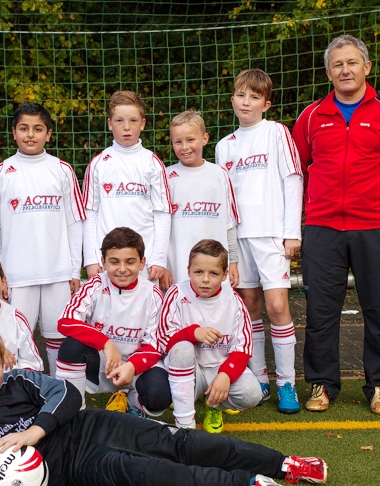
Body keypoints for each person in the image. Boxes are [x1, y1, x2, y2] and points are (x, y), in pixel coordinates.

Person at [0, 328, 328, 486]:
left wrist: (34, 432)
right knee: (151, 476)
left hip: (90, 426)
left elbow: (68, 394)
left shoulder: (19, 380)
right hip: (77, 467)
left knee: (181, 443)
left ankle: (284, 464)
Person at [292, 35, 380, 415]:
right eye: (337, 64)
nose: (345, 70)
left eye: (352, 62)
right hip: (322, 228)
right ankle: (322, 383)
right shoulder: (311, 116)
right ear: (328, 72)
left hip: (376, 227)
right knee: (320, 312)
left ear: (366, 67)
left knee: (379, 310)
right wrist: (313, 206)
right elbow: (298, 170)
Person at [215, 69, 304, 414]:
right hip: (238, 238)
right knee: (249, 306)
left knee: (277, 306)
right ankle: (259, 378)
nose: (246, 102)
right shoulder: (224, 146)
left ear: (266, 104)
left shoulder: (276, 132)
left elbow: (293, 179)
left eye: (254, 97)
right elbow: (224, 200)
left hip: (271, 234)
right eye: (241, 95)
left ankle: (287, 383)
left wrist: (292, 232)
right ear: (232, 100)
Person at [0, 103, 85, 376]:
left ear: (48, 134)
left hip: (57, 273)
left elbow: (74, 222)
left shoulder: (62, 170)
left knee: (59, 338)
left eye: (38, 129)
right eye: (24, 128)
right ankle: (17, 392)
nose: (30, 134)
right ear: (13, 132)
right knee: (15, 339)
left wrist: (73, 269)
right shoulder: (1, 173)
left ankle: (61, 390)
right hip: (17, 275)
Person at [55, 227, 170, 417]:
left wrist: (132, 366)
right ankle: (75, 413)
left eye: (130, 262)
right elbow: (66, 321)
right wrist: (105, 342)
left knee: (160, 395)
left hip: (137, 367)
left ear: (142, 263)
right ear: (103, 262)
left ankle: (133, 401)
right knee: (71, 346)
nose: (122, 269)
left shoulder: (152, 294)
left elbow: (155, 345)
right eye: (114, 262)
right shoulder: (96, 284)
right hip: (102, 363)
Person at [158, 240, 262, 433]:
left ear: (224, 275)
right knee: (183, 349)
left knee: (252, 394)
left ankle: (214, 405)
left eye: (213, 273)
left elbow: (243, 348)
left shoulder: (233, 300)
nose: (205, 279)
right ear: (188, 271)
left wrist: (226, 375)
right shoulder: (177, 293)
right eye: (198, 272)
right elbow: (163, 341)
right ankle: (185, 424)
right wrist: (193, 333)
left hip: (218, 368)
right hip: (188, 370)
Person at [82, 90, 171, 284]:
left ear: (143, 124)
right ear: (109, 123)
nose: (126, 127)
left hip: (144, 262)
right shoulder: (98, 163)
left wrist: (158, 258)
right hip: (108, 261)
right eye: (119, 121)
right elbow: (90, 213)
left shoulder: (153, 163)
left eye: (133, 120)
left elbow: (162, 213)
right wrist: (90, 258)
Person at [160, 109, 239, 289]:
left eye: (190, 140)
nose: (184, 147)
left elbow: (229, 223)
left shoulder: (220, 174)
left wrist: (233, 261)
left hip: (214, 268)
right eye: (178, 142)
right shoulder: (166, 176)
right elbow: (159, 226)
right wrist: (162, 265)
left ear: (204, 138)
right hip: (177, 269)